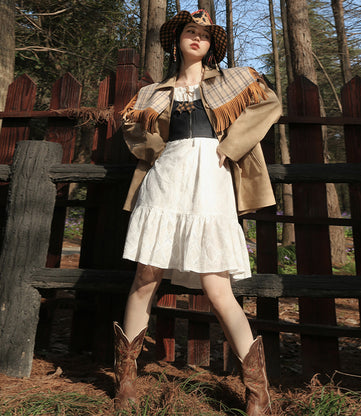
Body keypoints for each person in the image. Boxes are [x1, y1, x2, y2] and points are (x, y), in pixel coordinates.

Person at [113, 9, 282, 415]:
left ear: (211, 47)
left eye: (204, 36)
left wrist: (228, 148)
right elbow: (133, 128)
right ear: (178, 41)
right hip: (166, 178)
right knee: (145, 275)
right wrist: (158, 151)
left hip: (211, 176)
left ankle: (258, 390)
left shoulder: (234, 80)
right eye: (190, 32)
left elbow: (270, 106)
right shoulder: (155, 91)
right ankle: (126, 379)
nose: (196, 39)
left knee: (217, 286)